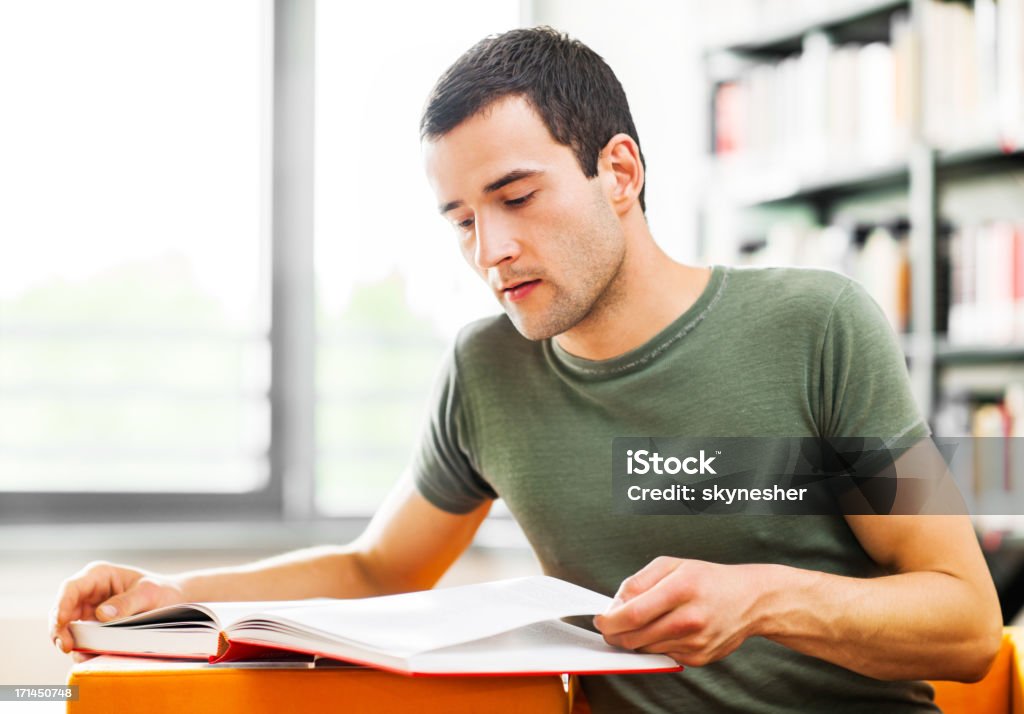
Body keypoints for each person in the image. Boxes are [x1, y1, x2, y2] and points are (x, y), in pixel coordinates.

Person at [51, 26, 1000, 712]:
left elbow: (962, 622)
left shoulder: (822, 324)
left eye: (517, 197)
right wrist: (177, 600)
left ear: (619, 172)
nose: (490, 250)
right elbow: (380, 567)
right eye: (463, 220)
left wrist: (763, 597)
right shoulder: (483, 370)